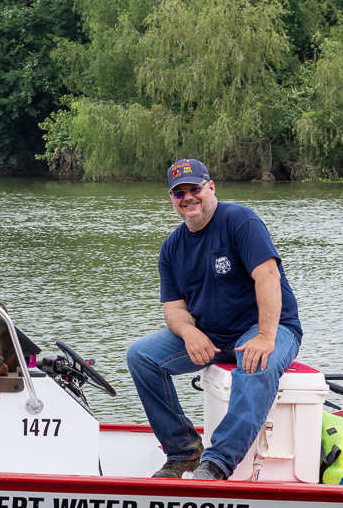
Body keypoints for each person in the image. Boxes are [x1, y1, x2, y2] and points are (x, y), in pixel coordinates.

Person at [125, 159, 303, 481]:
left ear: (211, 188)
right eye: (180, 193)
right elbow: (174, 308)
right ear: (171, 199)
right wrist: (190, 333)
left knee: (254, 361)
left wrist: (265, 336)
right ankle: (183, 450)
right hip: (212, 335)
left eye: (195, 189)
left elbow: (267, 276)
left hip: (268, 327)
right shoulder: (171, 248)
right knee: (141, 356)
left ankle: (217, 464)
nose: (188, 197)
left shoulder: (240, 220)